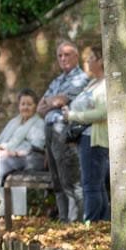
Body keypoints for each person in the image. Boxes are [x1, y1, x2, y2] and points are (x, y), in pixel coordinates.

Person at [36, 40, 89, 221]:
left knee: (70, 180)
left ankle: (77, 221)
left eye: (67, 55)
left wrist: (51, 101)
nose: (63, 58)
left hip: (64, 131)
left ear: (76, 56)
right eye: (60, 55)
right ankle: (64, 220)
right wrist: (53, 101)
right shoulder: (57, 80)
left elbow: (60, 101)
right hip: (50, 130)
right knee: (57, 180)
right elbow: (40, 108)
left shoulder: (81, 78)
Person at [65, 46, 109, 221]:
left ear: (101, 61)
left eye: (91, 58)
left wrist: (72, 115)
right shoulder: (93, 82)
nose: (88, 61)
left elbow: (102, 113)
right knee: (96, 184)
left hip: (94, 138)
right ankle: (103, 222)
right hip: (85, 138)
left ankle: (91, 222)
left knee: (91, 185)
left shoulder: (105, 85)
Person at [0, 88, 46, 186]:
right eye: (23, 104)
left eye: (29, 104)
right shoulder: (14, 122)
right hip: (9, 155)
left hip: (29, 158)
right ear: (19, 106)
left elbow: (35, 148)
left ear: (35, 106)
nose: (25, 107)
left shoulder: (39, 124)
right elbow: (1, 141)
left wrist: (13, 153)